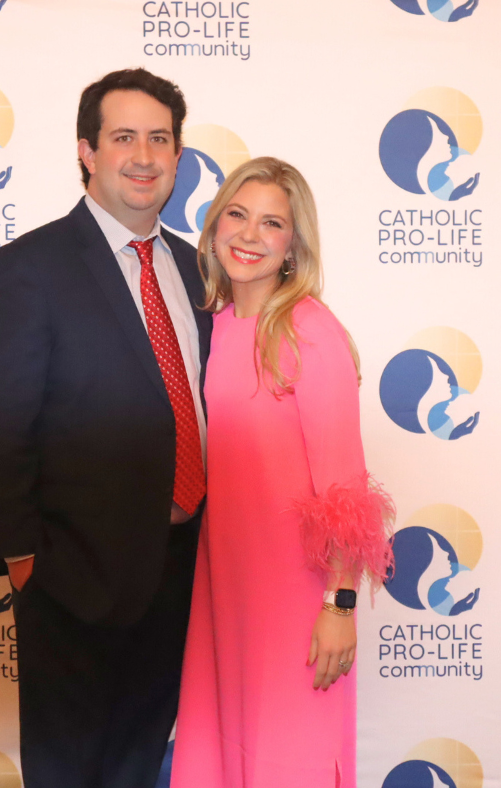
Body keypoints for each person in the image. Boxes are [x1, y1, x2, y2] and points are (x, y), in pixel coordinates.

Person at [0, 68, 211, 788]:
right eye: (124, 137)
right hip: (72, 575)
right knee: (68, 770)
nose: (144, 156)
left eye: (160, 139)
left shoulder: (198, 269)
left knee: (139, 762)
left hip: (184, 568)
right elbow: (2, 419)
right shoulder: (32, 266)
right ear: (87, 150)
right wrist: (23, 559)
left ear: (178, 155)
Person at [170, 158, 394, 788]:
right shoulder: (210, 330)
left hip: (299, 600)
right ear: (215, 227)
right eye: (237, 215)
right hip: (223, 591)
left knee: (287, 762)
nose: (249, 234)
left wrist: (339, 604)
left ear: (293, 245)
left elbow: (344, 488)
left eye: (271, 223)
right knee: (222, 758)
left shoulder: (309, 331)